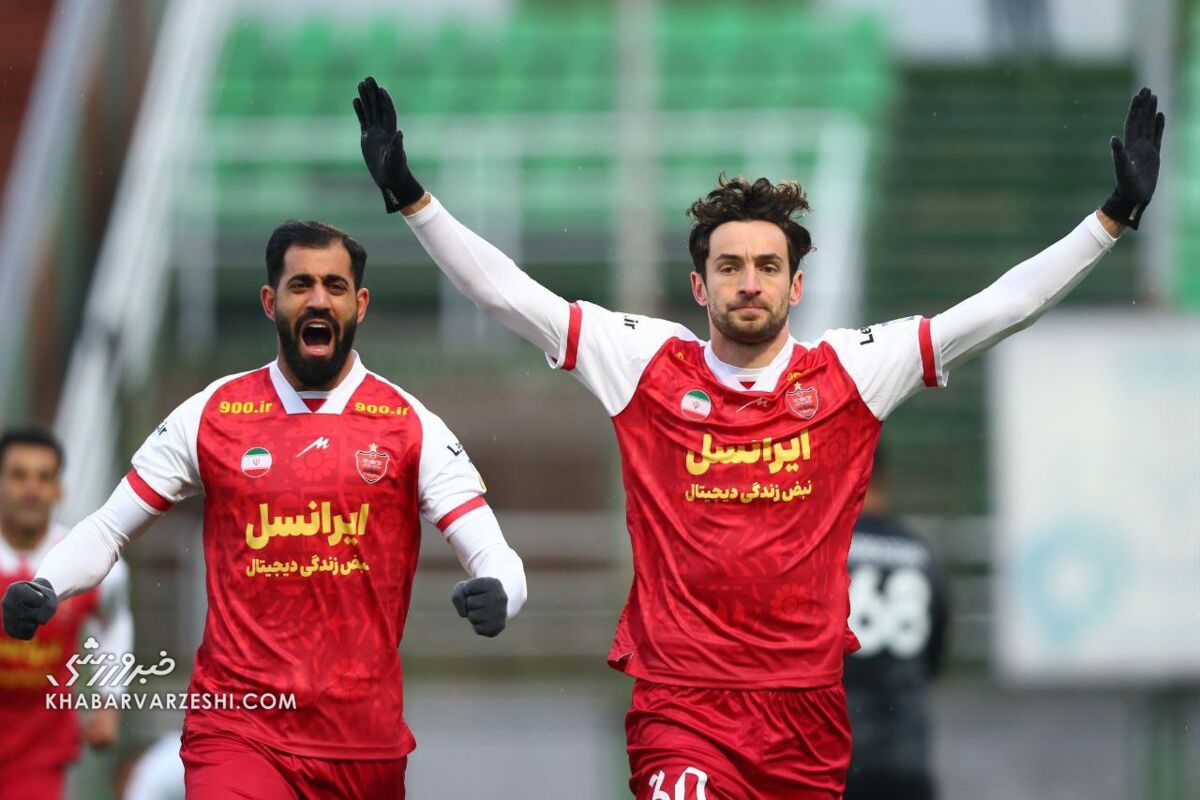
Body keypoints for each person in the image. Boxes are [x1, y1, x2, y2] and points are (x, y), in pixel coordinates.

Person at [354, 76, 1163, 797]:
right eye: (731, 266)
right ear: (699, 284)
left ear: (796, 285)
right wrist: (413, 199)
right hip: (682, 704)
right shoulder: (643, 362)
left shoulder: (851, 371)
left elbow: (998, 309)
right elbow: (506, 293)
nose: (749, 283)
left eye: (768, 267)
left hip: (806, 718)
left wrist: (1111, 219)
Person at [2, 220, 528, 799]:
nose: (319, 300)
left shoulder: (409, 425)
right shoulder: (211, 414)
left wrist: (500, 590)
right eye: (301, 284)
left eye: (334, 285)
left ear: (360, 304)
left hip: (362, 746)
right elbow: (107, 530)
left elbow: (492, 551)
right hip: (237, 728)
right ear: (270, 301)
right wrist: (46, 584)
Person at [0, 428, 130, 800]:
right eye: (19, 475)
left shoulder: (86, 562)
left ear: (59, 489)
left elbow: (113, 621)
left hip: (37, 753)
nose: (31, 489)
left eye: (43, 478)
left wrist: (109, 700)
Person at [843, 447, 949, 800]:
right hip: (907, 754)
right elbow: (934, 658)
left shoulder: (829, 549)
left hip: (841, 753)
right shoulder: (920, 551)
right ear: (885, 478)